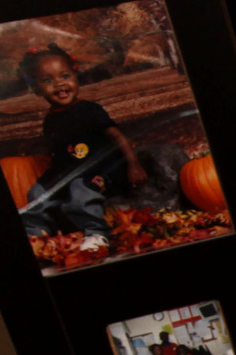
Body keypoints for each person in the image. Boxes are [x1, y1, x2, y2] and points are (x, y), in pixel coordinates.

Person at [17, 46, 143, 255]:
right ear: (36, 88)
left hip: (100, 170)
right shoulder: (51, 118)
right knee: (36, 192)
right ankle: (37, 235)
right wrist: (34, 144)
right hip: (67, 171)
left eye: (65, 76)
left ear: (76, 77)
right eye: (47, 81)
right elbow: (58, 142)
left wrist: (134, 164)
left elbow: (117, 136)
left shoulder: (89, 110)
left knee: (80, 191)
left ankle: (96, 233)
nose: (59, 84)